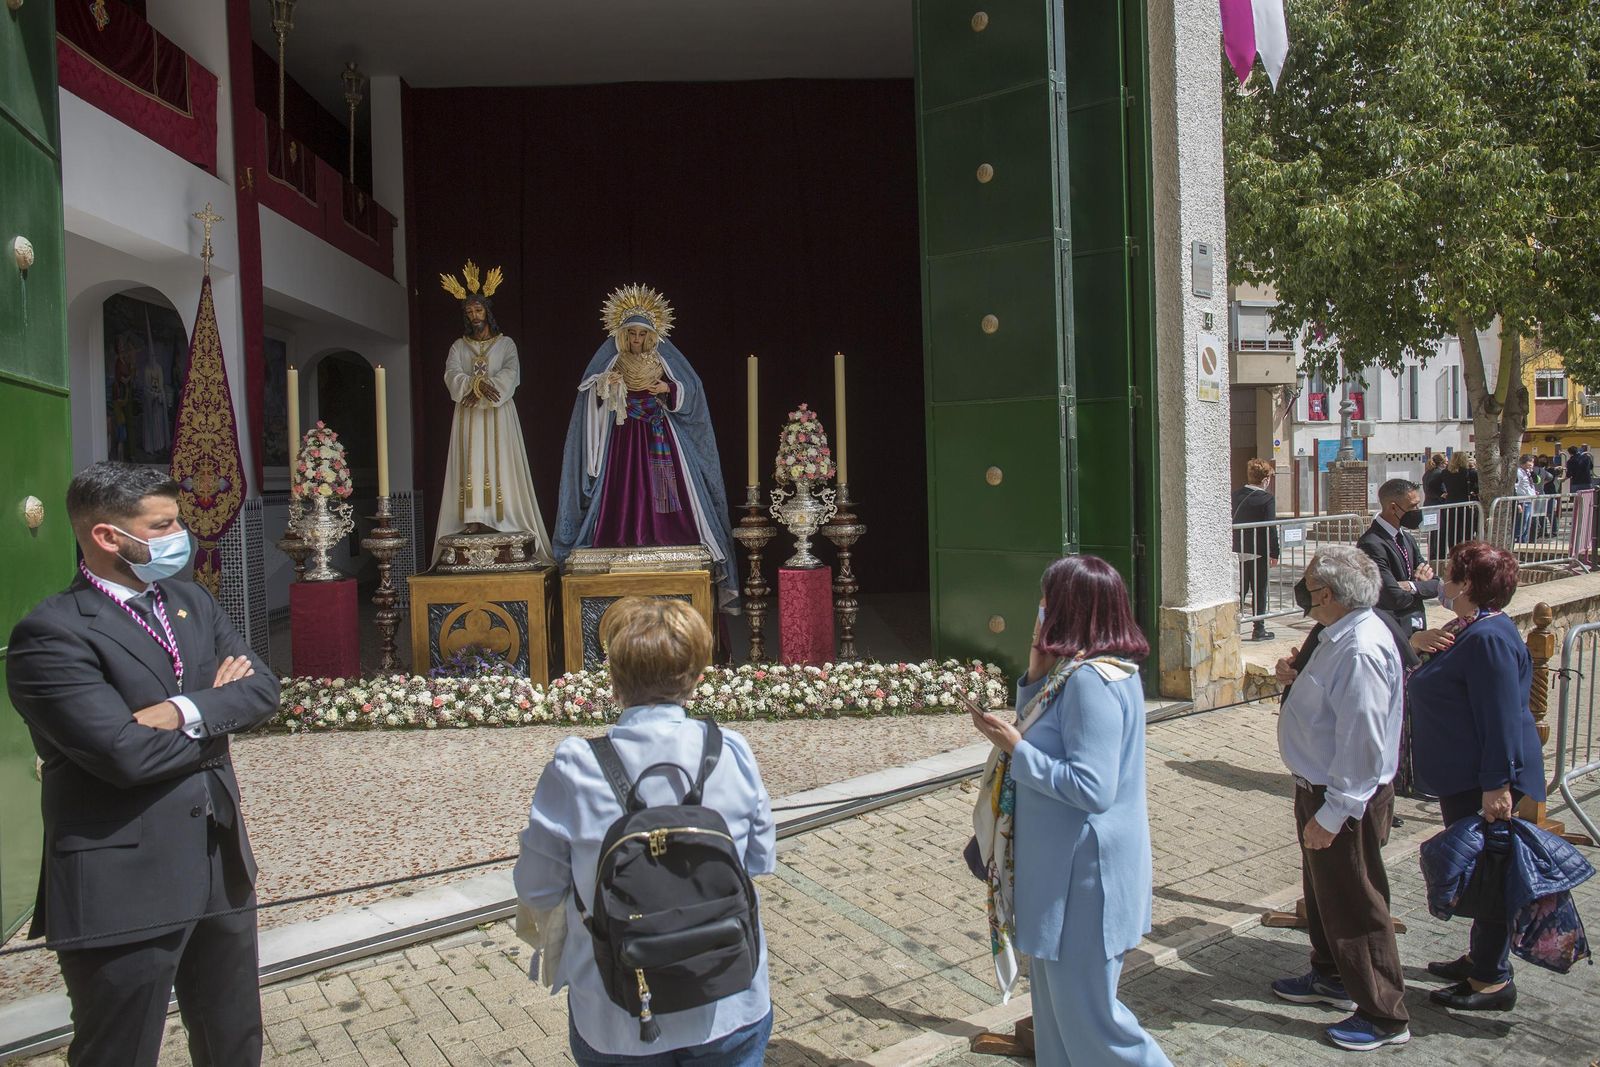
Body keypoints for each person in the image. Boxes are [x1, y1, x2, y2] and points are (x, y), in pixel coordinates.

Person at [6, 462, 280, 1067]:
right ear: (108, 536)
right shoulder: (52, 635)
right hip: (124, 879)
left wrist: (182, 710)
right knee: (120, 1049)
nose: (181, 536)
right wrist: (217, 713)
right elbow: (124, 755)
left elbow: (261, 691)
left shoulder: (191, 602)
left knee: (234, 1040)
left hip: (219, 862)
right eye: (162, 526)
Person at [514, 597, 775, 1065]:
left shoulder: (575, 767)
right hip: (728, 999)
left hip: (619, 1012)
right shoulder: (732, 752)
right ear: (694, 677)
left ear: (613, 679)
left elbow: (537, 887)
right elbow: (758, 860)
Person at [967, 555, 1172, 1067]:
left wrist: (1017, 749)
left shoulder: (1090, 681)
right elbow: (1052, 733)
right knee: (1056, 1021)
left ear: (1069, 607)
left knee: (1092, 1022)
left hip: (1082, 879)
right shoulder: (1086, 671)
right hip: (1063, 872)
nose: (1040, 607)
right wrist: (1034, 677)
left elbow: (1092, 787)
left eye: (1047, 598)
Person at [1270, 546, 1410, 1052]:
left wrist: (1333, 814)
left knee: (1355, 901)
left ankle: (1383, 1014)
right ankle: (1331, 975)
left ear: (1327, 594)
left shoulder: (1360, 649)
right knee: (1325, 891)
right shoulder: (1339, 634)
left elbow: (1363, 743)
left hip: (1344, 798)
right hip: (1319, 788)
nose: (1303, 593)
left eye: (1309, 586)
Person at [1405, 540, 1546, 1013]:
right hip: (1466, 776)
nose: (1442, 583)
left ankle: (1491, 979)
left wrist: (1496, 785)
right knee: (1483, 871)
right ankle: (1481, 958)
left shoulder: (1489, 637)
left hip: (1483, 780)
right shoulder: (1469, 628)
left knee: (1491, 876)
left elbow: (1500, 716)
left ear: (1467, 584)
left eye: (1450, 575)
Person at [554, 285, 739, 608]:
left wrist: (668, 388)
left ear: (651, 336)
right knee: (624, 484)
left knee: (663, 485)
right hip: (623, 434)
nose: (637, 340)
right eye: (632, 334)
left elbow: (692, 388)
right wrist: (607, 386)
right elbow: (591, 393)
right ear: (623, 336)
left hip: (658, 432)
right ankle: (623, 532)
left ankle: (667, 532)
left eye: (642, 334)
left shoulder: (661, 358)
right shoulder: (614, 361)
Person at [433, 261, 553, 565]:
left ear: (487, 311)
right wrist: (473, 386)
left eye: (479, 310)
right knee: (470, 459)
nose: (475, 316)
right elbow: (451, 373)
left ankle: (502, 516)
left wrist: (489, 388)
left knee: (500, 459)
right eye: (470, 311)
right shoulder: (459, 346)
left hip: (498, 413)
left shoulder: (505, 344)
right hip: (469, 414)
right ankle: (474, 518)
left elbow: (512, 372)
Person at [1357, 477, 1440, 634]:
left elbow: (1436, 584)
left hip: (1417, 624)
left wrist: (1411, 586)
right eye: (1413, 506)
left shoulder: (1407, 538)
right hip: (1393, 630)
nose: (1418, 510)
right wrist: (1420, 587)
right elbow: (1392, 596)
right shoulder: (1371, 544)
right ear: (1393, 508)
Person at [1232, 458, 1280, 642]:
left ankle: (1232, 627)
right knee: (1259, 590)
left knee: (1240, 590)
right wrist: (1274, 552)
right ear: (1265, 479)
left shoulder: (1235, 495)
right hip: (1258, 551)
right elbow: (1270, 527)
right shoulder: (1267, 499)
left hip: (1237, 550)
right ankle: (1259, 629)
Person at [1438, 452, 1480, 556]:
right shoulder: (1469, 472)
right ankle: (1467, 552)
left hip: (1450, 504)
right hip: (1465, 504)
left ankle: (1453, 552)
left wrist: (1442, 494)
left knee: (1452, 530)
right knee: (1467, 530)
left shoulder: (1445, 473)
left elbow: (1433, 485)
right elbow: (1477, 487)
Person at [1422, 453, 1449, 558]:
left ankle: (1432, 555)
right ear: (1442, 463)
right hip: (1438, 505)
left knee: (1431, 533)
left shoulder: (1427, 473)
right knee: (1440, 532)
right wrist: (1441, 495)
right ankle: (1439, 556)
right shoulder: (1440, 473)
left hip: (1428, 504)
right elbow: (1441, 489)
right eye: (1446, 462)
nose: (1447, 464)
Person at [1513, 455, 1538, 543]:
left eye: (1532, 462)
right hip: (1523, 501)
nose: (1531, 464)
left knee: (1527, 525)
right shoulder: (1519, 472)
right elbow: (1515, 487)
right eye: (1529, 462)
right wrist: (1517, 503)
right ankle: (1517, 540)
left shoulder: (1528, 472)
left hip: (1530, 500)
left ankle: (1524, 541)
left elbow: (1534, 481)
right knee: (1522, 524)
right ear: (1523, 462)